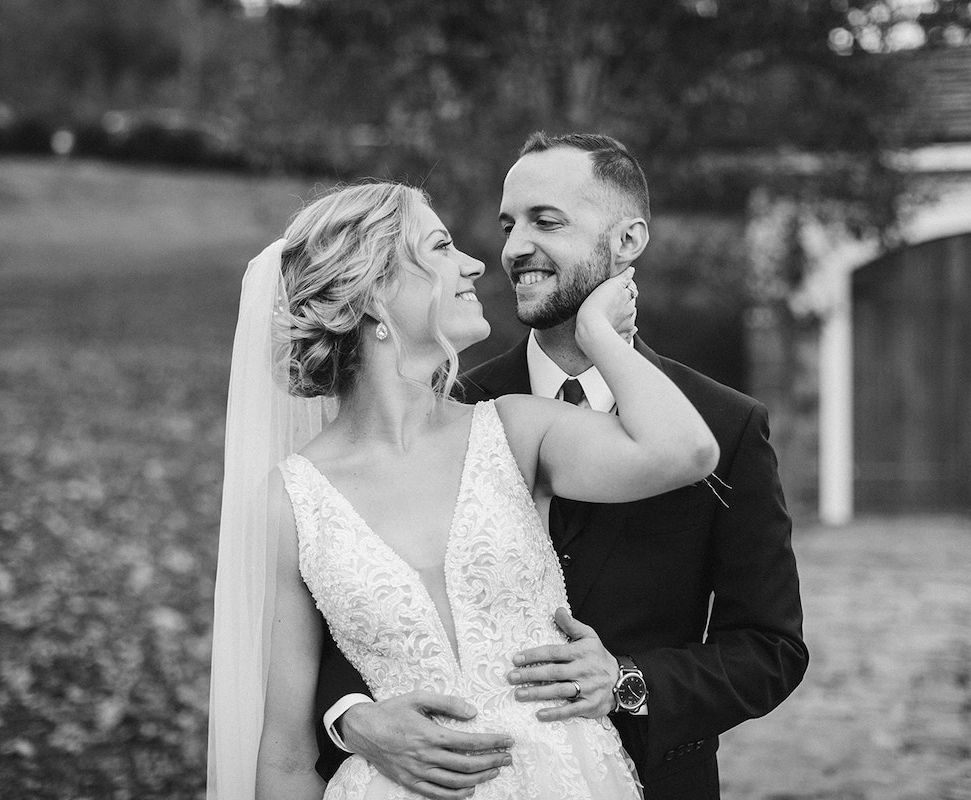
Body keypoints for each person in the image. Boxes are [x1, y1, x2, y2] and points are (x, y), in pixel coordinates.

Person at [312, 134, 808, 800]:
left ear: (627, 241)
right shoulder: (453, 408)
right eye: (508, 225)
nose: (514, 248)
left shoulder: (723, 425)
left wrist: (629, 680)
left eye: (546, 221)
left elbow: (770, 649)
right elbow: (352, 600)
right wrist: (355, 718)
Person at [206, 180, 721, 799]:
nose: (476, 263)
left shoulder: (515, 429)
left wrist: (599, 334)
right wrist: (351, 720)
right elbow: (285, 755)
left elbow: (686, 451)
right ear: (373, 292)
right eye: (442, 246)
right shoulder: (292, 501)